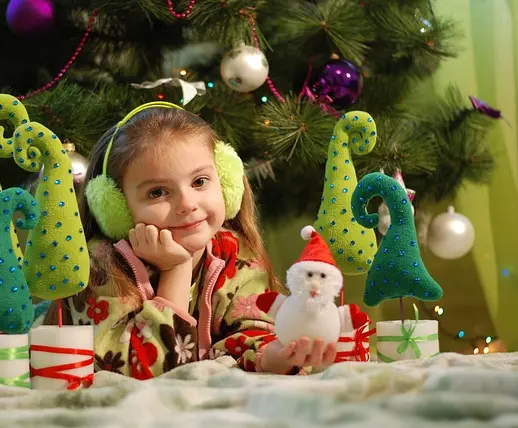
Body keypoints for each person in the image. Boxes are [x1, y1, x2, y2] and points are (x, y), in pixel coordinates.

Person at [43, 101, 337, 378]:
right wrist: (177, 270)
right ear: (115, 208)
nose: (187, 203)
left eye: (199, 182)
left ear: (225, 182)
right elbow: (138, 370)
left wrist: (274, 355)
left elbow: (251, 333)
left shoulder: (232, 252)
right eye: (157, 192)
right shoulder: (103, 265)